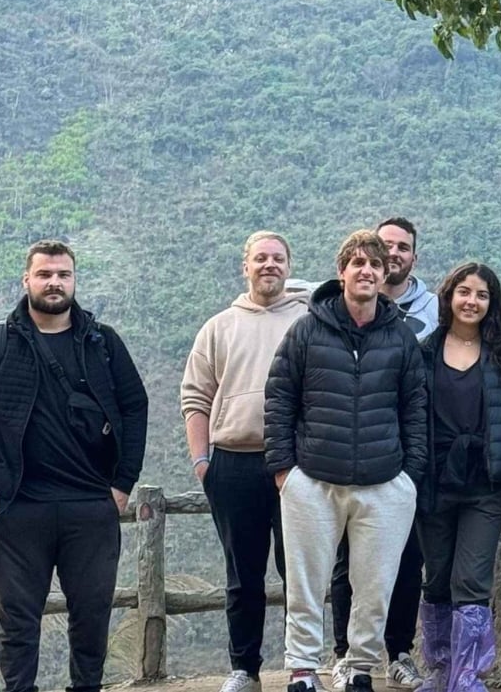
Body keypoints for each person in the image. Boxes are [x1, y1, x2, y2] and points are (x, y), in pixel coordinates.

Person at [0, 240, 149, 692]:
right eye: (44, 274)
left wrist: (123, 483)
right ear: (27, 280)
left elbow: (135, 407)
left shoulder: (103, 343)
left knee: (92, 617)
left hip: (91, 505)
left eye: (63, 274)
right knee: (18, 621)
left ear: (74, 281)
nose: (54, 282)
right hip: (18, 506)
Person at [265, 230, 428, 692]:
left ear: (384, 274)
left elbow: (415, 407)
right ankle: (302, 669)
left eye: (374, 264)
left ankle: (359, 668)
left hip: (384, 483)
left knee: (374, 586)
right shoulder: (307, 331)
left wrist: (409, 477)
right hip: (313, 480)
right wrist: (284, 471)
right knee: (306, 583)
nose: (366, 271)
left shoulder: (400, 337)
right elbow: (279, 397)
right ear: (341, 272)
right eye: (357, 263)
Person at [181, 231, 309, 692]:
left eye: (277, 258)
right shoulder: (219, 327)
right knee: (242, 574)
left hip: (297, 464)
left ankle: (302, 666)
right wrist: (203, 462)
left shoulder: (308, 322)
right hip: (233, 463)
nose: (269, 265)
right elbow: (195, 397)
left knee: (300, 572)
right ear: (246, 266)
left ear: (289, 266)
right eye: (260, 258)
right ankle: (244, 668)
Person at [328, 216, 437, 688]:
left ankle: (399, 652)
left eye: (401, 248)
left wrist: (413, 467)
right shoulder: (337, 314)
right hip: (348, 457)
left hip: (403, 457)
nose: (391, 255)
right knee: (346, 562)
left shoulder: (433, 312)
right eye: (383, 247)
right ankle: (344, 655)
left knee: (408, 559)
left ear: (414, 256)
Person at [415, 262, 501, 692]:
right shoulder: (424, 353)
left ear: (491, 304)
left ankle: (467, 676)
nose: (471, 301)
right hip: (435, 480)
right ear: (449, 296)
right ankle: (441, 668)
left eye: (482, 295)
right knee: (437, 575)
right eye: (464, 292)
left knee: (472, 578)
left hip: (485, 483)